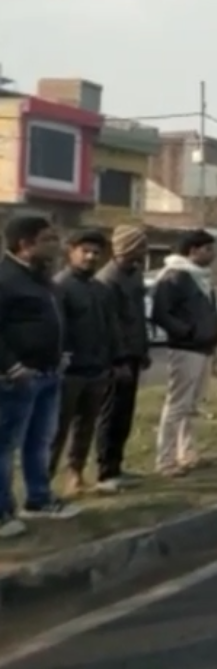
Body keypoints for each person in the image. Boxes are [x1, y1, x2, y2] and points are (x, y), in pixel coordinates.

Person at [0, 215, 81, 536]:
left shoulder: (41, 278)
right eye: (48, 239)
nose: (56, 245)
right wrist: (11, 366)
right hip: (17, 378)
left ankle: (39, 499)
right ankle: (3, 513)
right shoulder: (6, 278)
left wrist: (62, 354)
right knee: (5, 447)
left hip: (49, 375)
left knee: (39, 442)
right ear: (25, 244)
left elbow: (55, 319)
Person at [51, 230, 119, 494]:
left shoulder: (99, 289)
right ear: (72, 251)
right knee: (56, 431)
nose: (91, 257)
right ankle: (41, 486)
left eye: (96, 253)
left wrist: (111, 360)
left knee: (85, 428)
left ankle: (75, 476)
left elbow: (110, 328)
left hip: (97, 370)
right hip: (69, 372)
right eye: (85, 251)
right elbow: (57, 331)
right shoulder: (60, 286)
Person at [151, 230, 217, 476]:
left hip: (204, 347)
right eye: (207, 249)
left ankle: (187, 452)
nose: (212, 255)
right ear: (192, 250)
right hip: (185, 348)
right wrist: (187, 332)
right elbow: (161, 313)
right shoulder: (175, 277)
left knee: (192, 405)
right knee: (177, 405)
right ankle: (166, 460)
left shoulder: (201, 277)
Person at [94, 226, 151, 491]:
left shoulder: (135, 275)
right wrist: (118, 361)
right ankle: (105, 471)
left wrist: (143, 350)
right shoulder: (107, 280)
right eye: (140, 245)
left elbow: (138, 317)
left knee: (125, 415)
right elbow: (109, 326)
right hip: (117, 359)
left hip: (135, 354)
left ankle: (117, 465)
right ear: (127, 247)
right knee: (110, 413)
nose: (145, 251)